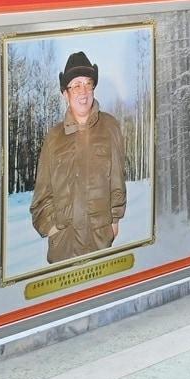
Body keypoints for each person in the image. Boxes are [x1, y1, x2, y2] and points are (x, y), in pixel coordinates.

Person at [30, 52, 128, 265]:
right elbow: (41, 197)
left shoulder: (111, 127)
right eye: (76, 85)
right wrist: (53, 229)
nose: (83, 92)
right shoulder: (53, 138)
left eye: (88, 84)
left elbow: (118, 180)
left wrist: (114, 220)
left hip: (99, 242)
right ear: (65, 93)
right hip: (65, 246)